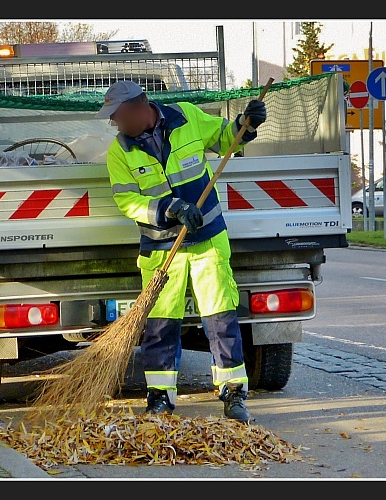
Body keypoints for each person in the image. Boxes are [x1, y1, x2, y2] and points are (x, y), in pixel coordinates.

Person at [97, 80, 267, 423]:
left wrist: (246, 124)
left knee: (221, 319)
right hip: (162, 249)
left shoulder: (186, 117)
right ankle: (159, 398)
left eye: (118, 116)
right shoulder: (120, 151)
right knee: (160, 325)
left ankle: (233, 394)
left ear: (139, 107)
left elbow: (224, 139)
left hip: (207, 240)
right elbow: (127, 201)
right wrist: (170, 208)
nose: (115, 123)